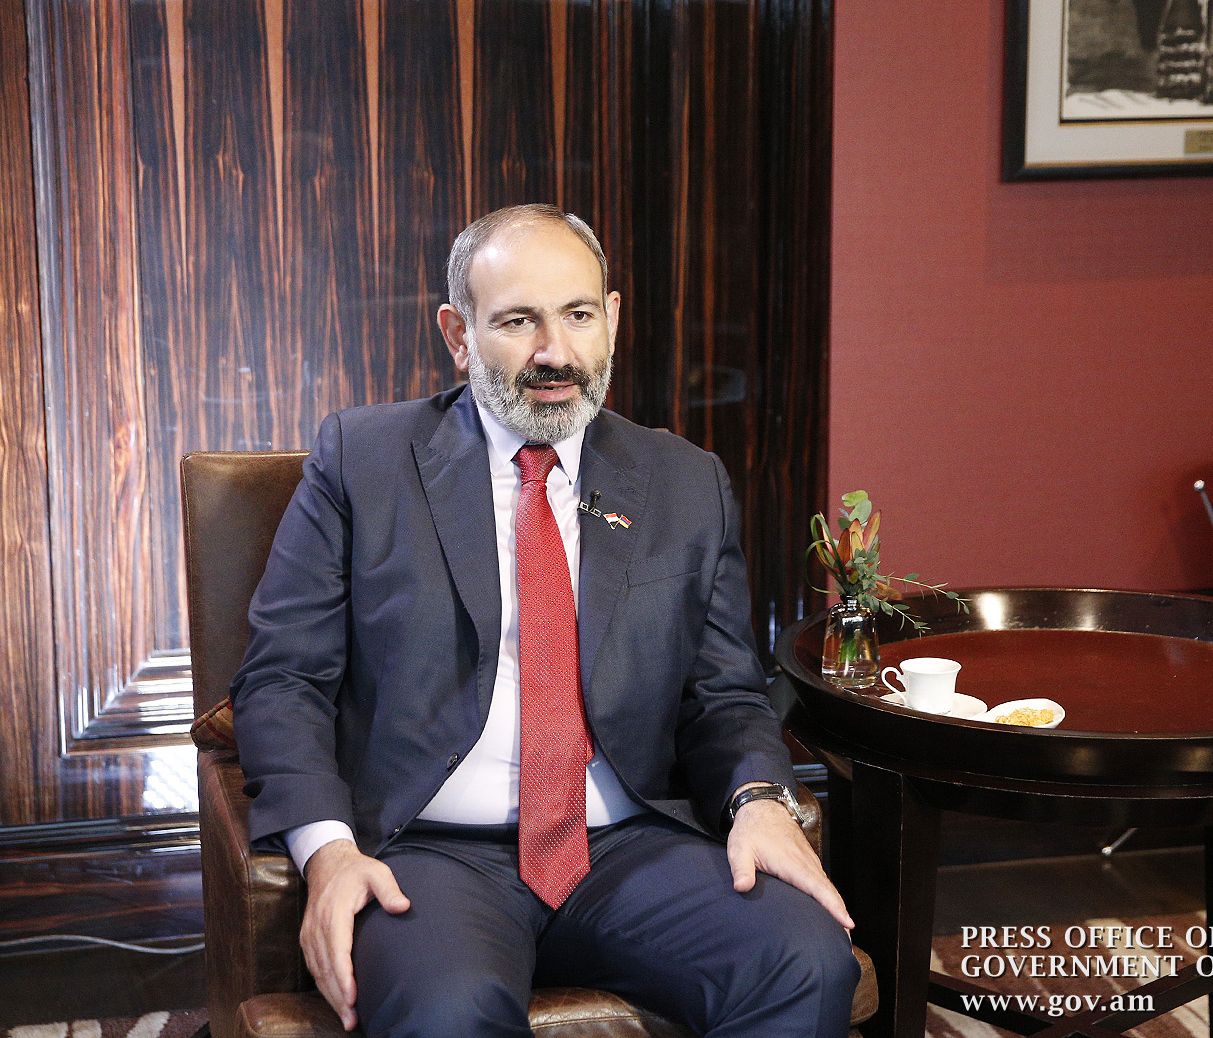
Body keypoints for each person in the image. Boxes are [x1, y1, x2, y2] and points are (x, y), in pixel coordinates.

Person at [230, 204, 859, 1038]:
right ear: (459, 334)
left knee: (806, 959)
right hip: (431, 851)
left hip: (629, 844)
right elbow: (282, 679)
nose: (554, 351)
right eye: (518, 320)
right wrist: (330, 851)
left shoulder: (684, 481)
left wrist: (758, 797)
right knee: (446, 1010)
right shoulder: (363, 460)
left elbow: (725, 693)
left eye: (578, 314)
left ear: (613, 319)